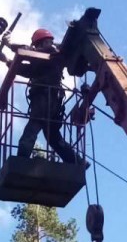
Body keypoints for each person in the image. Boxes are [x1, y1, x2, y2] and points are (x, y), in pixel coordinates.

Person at [12, 27, 78, 164]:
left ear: (42, 43)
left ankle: (21, 160)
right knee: (53, 137)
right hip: (52, 102)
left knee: (32, 128)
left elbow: (28, 51)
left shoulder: (52, 51)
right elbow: (26, 70)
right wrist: (6, 61)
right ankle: (77, 161)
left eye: (36, 46)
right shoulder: (43, 62)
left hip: (45, 99)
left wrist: (9, 45)